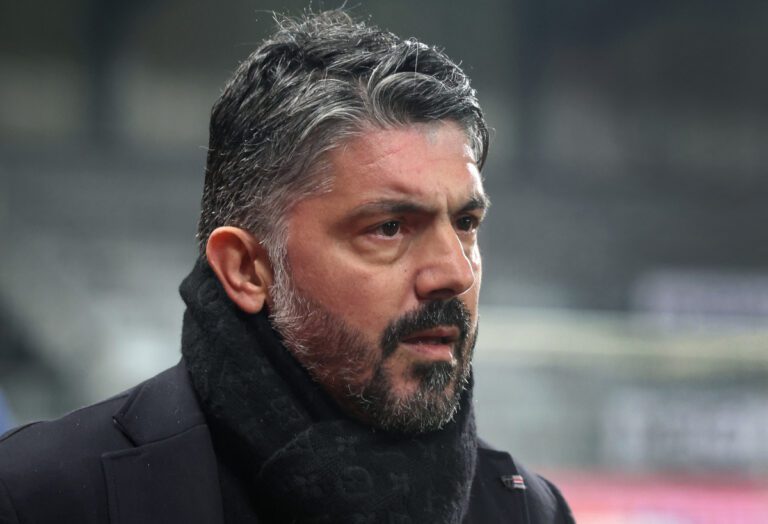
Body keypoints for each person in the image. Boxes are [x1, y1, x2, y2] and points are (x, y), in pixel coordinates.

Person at [0, 11, 574, 524]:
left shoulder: (529, 511)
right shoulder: (41, 496)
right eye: (389, 227)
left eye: (466, 222)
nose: (456, 272)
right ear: (247, 270)